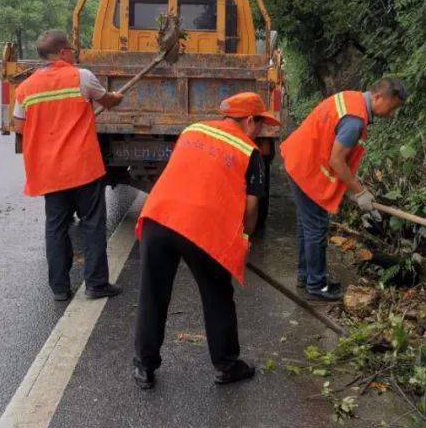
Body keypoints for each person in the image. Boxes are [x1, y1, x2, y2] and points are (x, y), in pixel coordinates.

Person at [132, 91, 278, 389]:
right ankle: (226, 365)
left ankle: (144, 367)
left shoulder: (192, 129)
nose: (262, 130)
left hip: (158, 216)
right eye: (261, 123)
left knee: (153, 293)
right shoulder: (250, 152)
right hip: (202, 227)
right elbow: (251, 208)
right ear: (249, 120)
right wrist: (244, 239)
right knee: (217, 295)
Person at [13, 29, 125, 302]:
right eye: (72, 49)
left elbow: (19, 126)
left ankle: (60, 289)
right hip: (82, 167)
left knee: (56, 227)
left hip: (49, 171)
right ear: (63, 52)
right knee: (92, 224)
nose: (75, 53)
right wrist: (116, 98)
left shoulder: (25, 88)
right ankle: (96, 284)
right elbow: (107, 101)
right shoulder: (81, 77)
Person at [280, 78, 407, 301]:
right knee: (316, 227)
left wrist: (353, 189)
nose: (392, 113)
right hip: (307, 168)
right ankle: (316, 285)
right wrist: (359, 191)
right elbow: (337, 160)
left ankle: (306, 276)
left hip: (300, 159)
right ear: (378, 97)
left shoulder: (352, 99)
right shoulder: (355, 120)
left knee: (306, 224)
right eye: (392, 107)